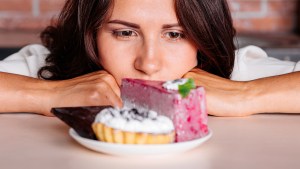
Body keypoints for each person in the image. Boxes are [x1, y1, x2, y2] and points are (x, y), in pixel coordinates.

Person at [0, 0, 299, 117]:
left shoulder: (236, 73)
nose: (149, 63)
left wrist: (247, 95)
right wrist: (48, 94)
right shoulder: (49, 69)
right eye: (125, 34)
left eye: (174, 35)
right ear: (91, 36)